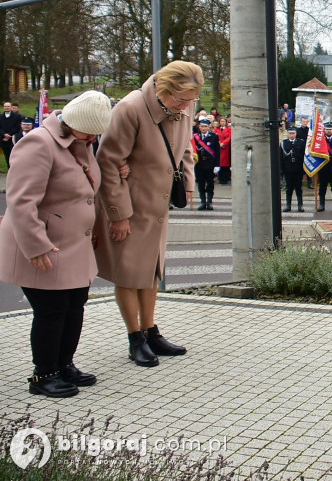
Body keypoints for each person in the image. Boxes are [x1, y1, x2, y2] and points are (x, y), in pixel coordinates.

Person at [0, 91, 112, 396]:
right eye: (88, 132)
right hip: (43, 245)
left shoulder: (81, 141)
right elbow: (21, 201)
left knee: (75, 305)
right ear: (73, 121)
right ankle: (44, 375)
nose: (91, 139)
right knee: (52, 310)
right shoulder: (38, 142)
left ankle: (64, 365)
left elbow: (88, 188)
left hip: (74, 244)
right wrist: (36, 245)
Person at [94, 61, 201, 367]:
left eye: (189, 101)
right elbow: (108, 161)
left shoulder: (184, 106)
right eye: (179, 100)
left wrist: (188, 183)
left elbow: (184, 149)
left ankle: (151, 330)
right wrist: (118, 215)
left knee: (152, 269)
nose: (184, 107)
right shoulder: (130, 109)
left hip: (158, 205)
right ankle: (134, 338)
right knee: (128, 274)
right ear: (162, 90)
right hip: (130, 205)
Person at [192, 117, 219, 210]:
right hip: (199, 164)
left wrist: (217, 165)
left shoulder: (214, 136)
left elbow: (217, 152)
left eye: (205, 126)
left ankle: (209, 202)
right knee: (200, 184)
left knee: (210, 184)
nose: (203, 128)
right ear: (199, 127)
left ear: (209, 127)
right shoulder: (195, 137)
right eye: (202, 126)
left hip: (210, 163)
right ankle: (203, 202)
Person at [280, 127, 305, 212]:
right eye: (290, 133)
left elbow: (303, 156)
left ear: (296, 134)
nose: (291, 135)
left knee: (298, 188)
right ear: (288, 134)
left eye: (293, 133)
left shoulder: (301, 142)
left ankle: (300, 205)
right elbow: (281, 157)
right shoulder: (284, 143)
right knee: (288, 188)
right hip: (288, 169)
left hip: (298, 169)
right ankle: (288, 205)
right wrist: (281, 170)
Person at [1, 100, 24, 165]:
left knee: (14, 156)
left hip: (13, 139)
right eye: (5, 106)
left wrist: (9, 135)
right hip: (3, 139)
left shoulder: (17, 116)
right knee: (7, 156)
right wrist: (4, 134)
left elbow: (17, 127)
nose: (6, 107)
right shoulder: (0, 116)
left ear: (11, 107)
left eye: (8, 106)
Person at [215, 116, 231, 184]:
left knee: (226, 164)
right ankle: (220, 178)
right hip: (219, 148)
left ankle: (226, 178)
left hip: (226, 148)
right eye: (221, 121)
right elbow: (215, 136)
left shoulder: (229, 129)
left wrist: (224, 143)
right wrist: (218, 143)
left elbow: (230, 137)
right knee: (220, 163)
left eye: (224, 121)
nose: (222, 122)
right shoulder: (216, 129)